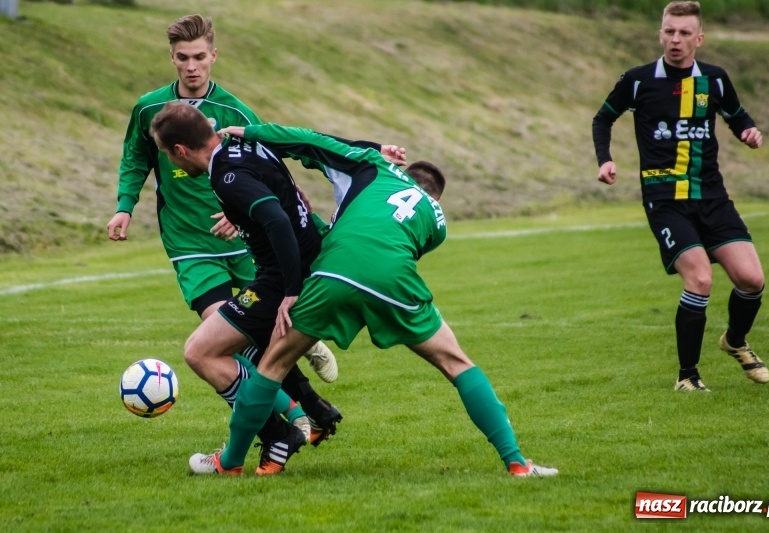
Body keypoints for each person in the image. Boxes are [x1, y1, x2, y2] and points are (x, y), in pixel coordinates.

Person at [148, 102, 559, 478]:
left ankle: (233, 461)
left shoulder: (371, 166)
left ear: (180, 150)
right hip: (390, 279)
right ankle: (517, 463)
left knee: (270, 366)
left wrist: (255, 131)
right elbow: (409, 246)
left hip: (331, 272)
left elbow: (309, 141)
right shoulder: (438, 220)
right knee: (457, 363)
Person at [104, 14, 342, 459]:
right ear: (171, 58)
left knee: (247, 336)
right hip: (190, 244)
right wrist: (124, 205)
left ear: (213, 56)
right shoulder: (148, 109)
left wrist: (243, 210)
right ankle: (302, 414)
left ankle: (298, 414)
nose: (191, 66)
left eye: (199, 57)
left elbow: (268, 168)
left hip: (248, 245)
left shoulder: (235, 111)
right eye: (182, 58)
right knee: (231, 337)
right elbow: (135, 156)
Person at [592, 1, 769, 392]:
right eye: (669, 31)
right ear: (660, 34)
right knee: (700, 279)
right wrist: (605, 160)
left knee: (752, 279)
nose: (675, 39)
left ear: (699, 38)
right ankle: (687, 376)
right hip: (665, 198)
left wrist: (749, 131)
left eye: (684, 32)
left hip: (712, 196)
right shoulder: (638, 81)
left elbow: (738, 116)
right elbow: (603, 116)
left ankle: (735, 342)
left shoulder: (716, 80)